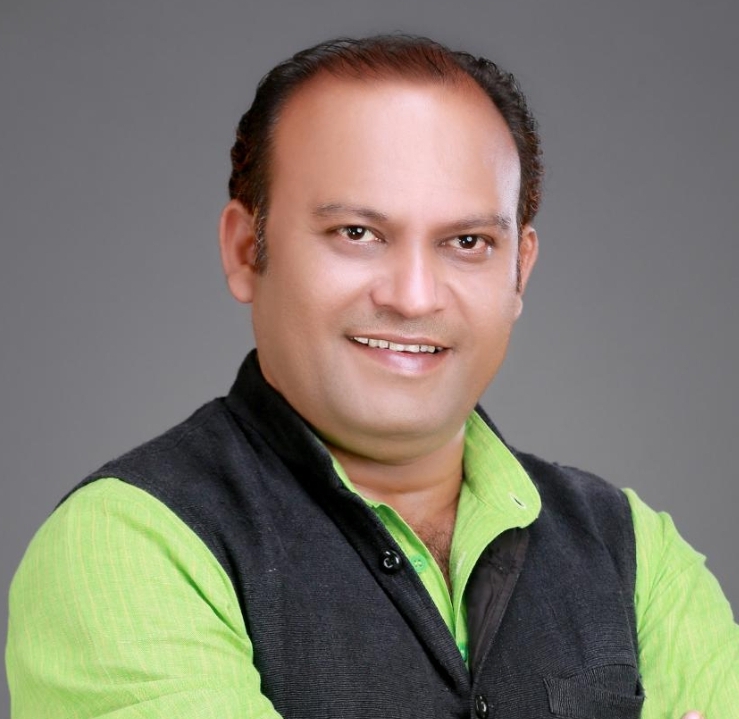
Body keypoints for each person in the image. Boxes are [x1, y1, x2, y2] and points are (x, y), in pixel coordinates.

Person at [6, 34, 738, 718]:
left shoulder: (637, 554)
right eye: (356, 233)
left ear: (520, 270)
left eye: (467, 241)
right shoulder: (129, 544)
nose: (413, 296)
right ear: (244, 250)